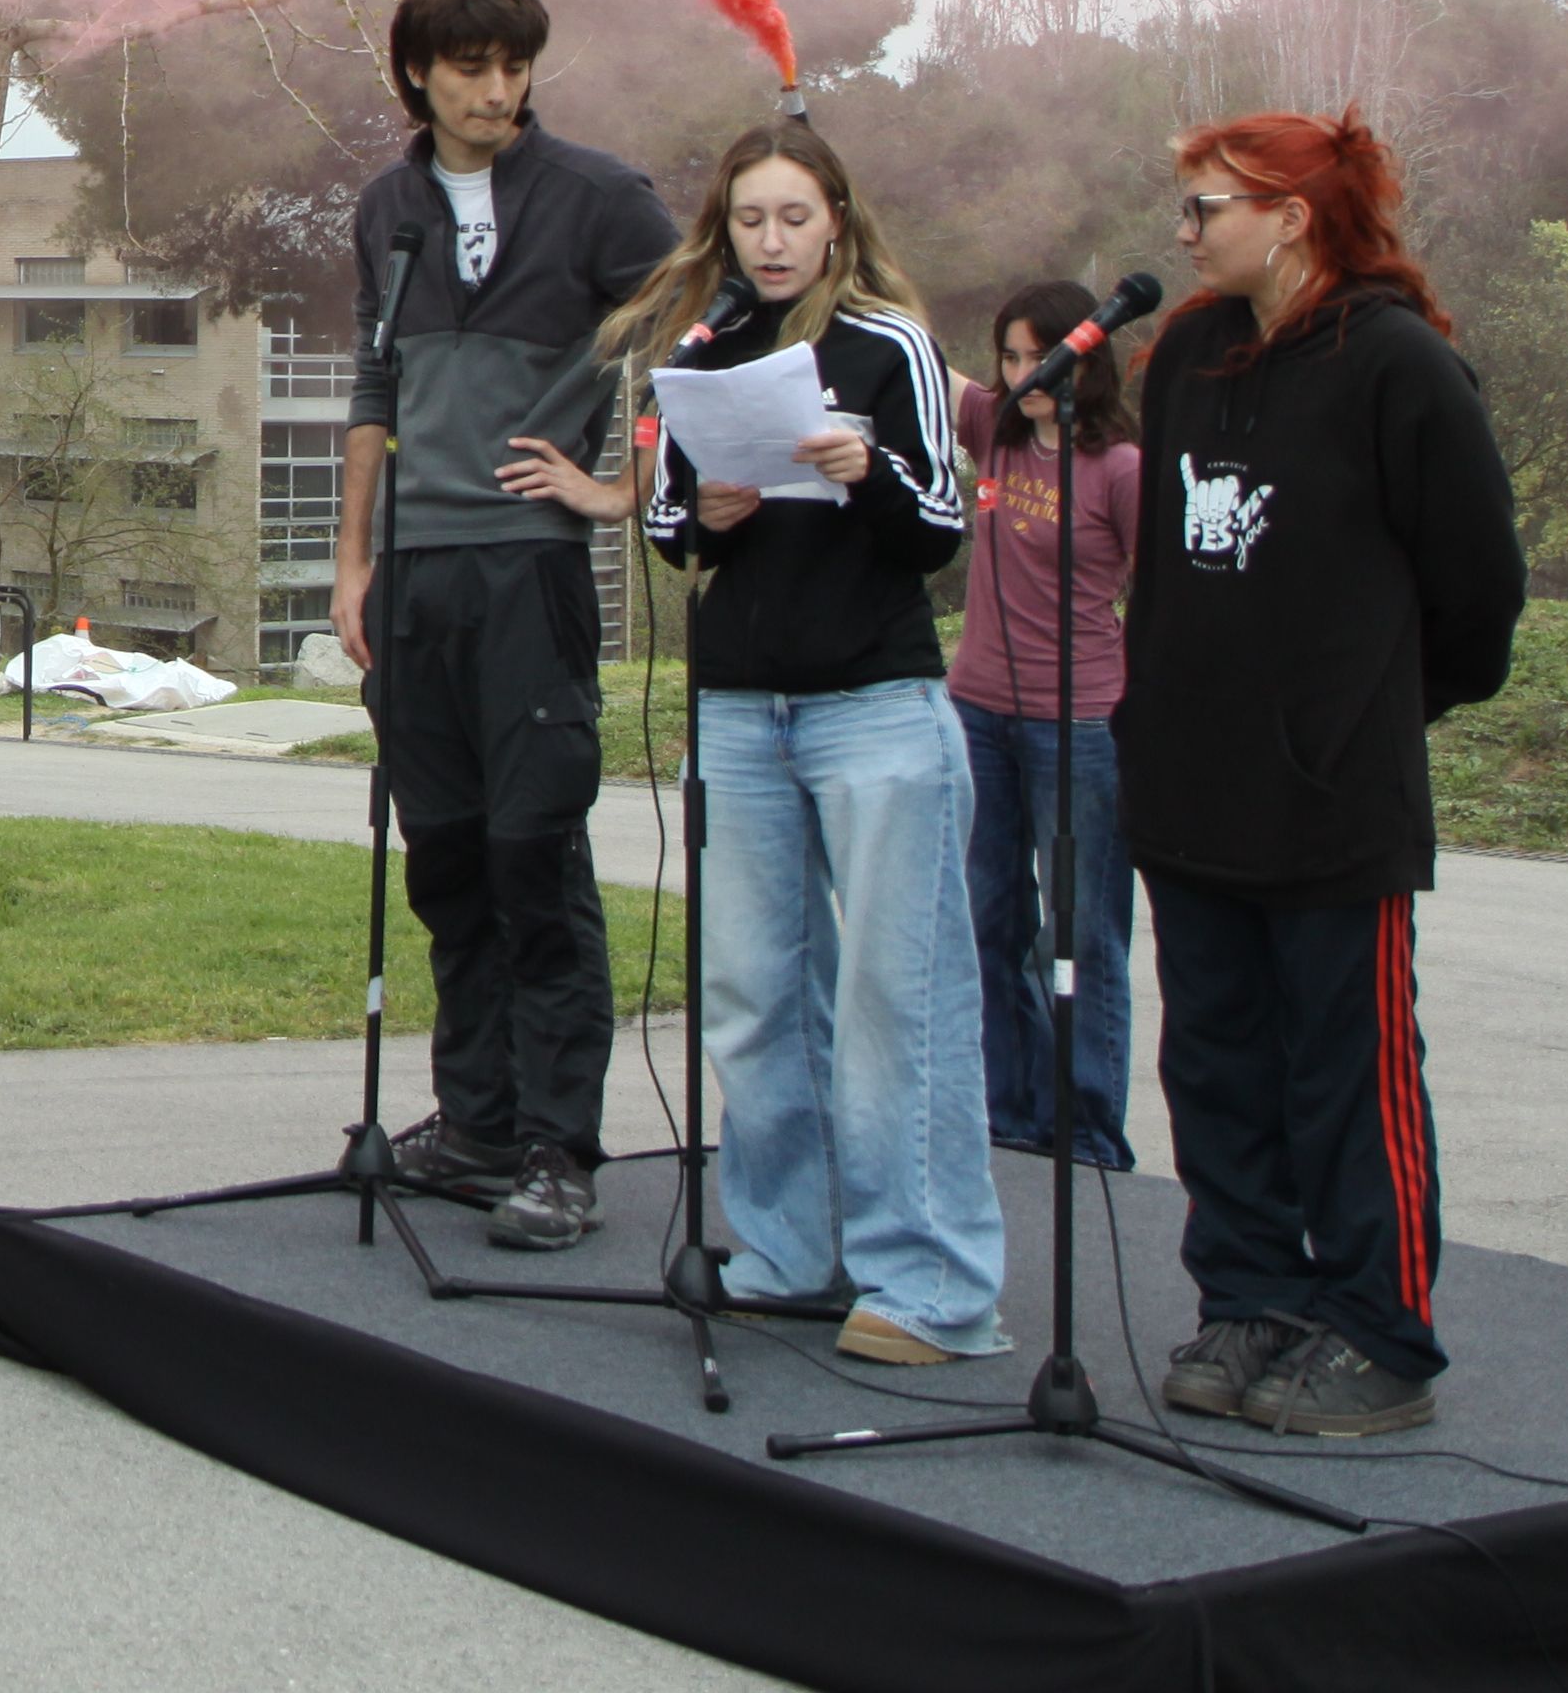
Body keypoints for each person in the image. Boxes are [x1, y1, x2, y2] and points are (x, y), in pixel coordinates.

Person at [1126, 111, 1521, 1439]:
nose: (1183, 234)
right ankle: (1248, 1299)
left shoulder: (1398, 365)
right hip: (1191, 785)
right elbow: (1171, 567)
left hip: (1333, 799)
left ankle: (1377, 1330)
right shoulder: (1185, 347)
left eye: (1207, 209)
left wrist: (1366, 719)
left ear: (1291, 214)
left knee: (1345, 1077)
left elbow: (1477, 593)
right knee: (1217, 1067)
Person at [621, 119, 998, 1366]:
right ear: (721, 230)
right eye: (748, 221)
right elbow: (669, 527)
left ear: (837, 217)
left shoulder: (892, 342)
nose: (770, 242)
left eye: (792, 217)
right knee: (753, 999)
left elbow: (941, 523)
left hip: (871, 705)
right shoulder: (705, 349)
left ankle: (931, 1286)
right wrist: (710, 511)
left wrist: (866, 464)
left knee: (901, 997)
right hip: (739, 706)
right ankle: (789, 1252)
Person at [334, 0, 679, 1252]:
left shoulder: (600, 200)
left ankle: (559, 1150)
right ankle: (473, 1121)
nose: (496, 88)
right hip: (415, 585)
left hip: (529, 576)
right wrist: (352, 565)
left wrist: (617, 486)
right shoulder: (385, 209)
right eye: (471, 66)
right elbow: (376, 394)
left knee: (539, 858)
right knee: (452, 864)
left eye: (514, 64)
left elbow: (718, 334)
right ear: (418, 71)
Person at [951, 279, 1147, 1169]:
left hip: (1081, 727)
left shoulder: (1120, 469)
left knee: (1077, 930)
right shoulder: (991, 430)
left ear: (1086, 360)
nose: (1027, 373)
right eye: (1014, 355)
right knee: (988, 915)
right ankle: (1013, 1107)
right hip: (979, 712)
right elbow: (910, 345)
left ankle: (1089, 1124)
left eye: (1044, 355)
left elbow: (1163, 594)